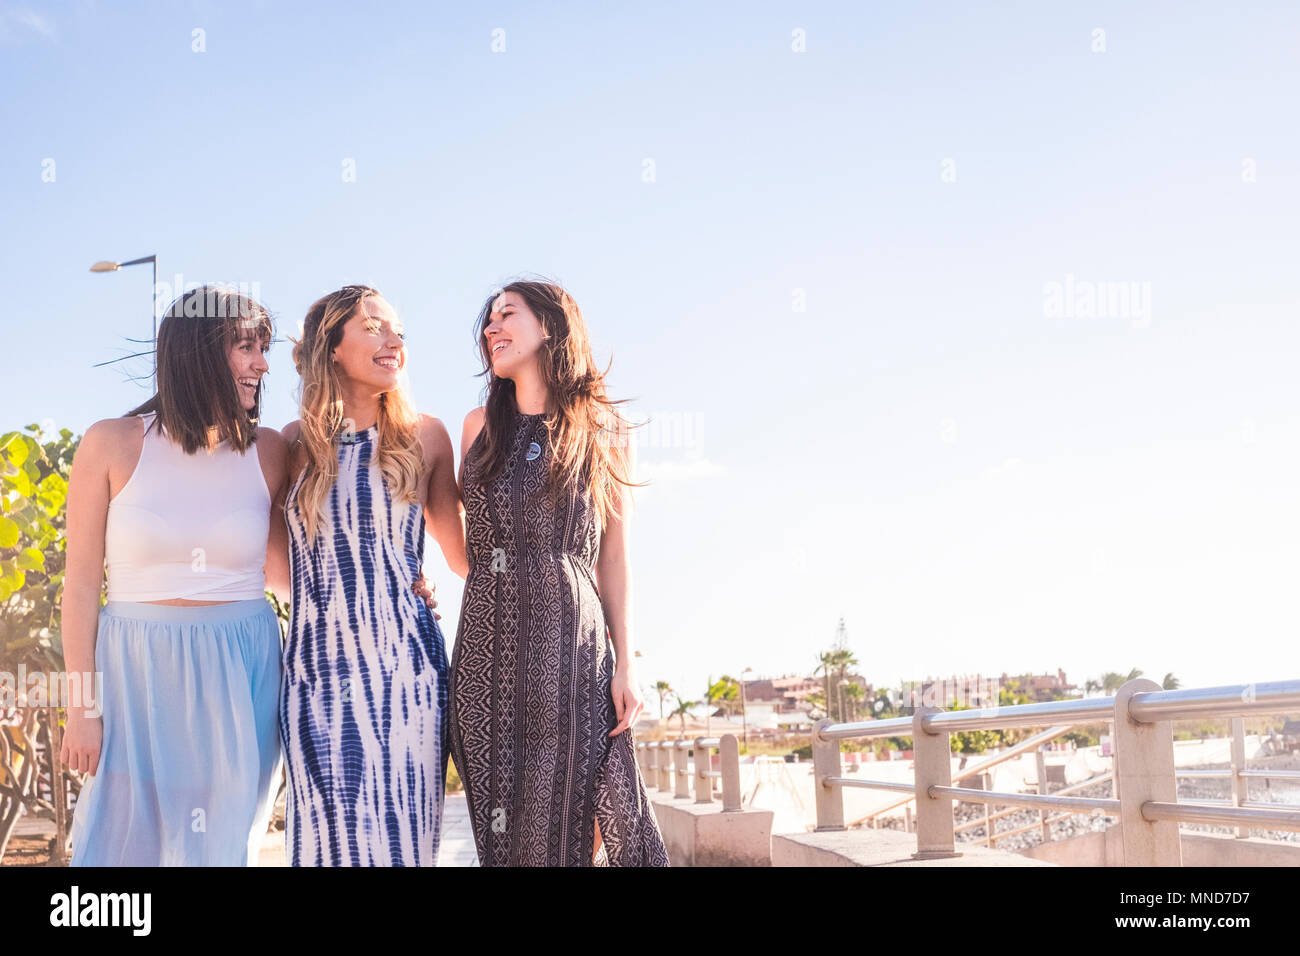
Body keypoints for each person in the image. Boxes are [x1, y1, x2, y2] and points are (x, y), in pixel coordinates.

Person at [62, 286, 286, 866]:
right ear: (198, 352)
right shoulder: (111, 442)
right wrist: (82, 708)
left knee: (220, 846)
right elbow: (82, 587)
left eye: (265, 348)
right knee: (117, 847)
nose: (262, 363)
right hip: (135, 666)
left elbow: (296, 570)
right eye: (246, 347)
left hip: (244, 667)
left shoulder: (271, 451)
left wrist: (403, 583)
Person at [448, 279, 669, 866]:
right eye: (487, 321)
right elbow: (450, 533)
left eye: (506, 315)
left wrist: (627, 663)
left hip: (570, 645)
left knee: (579, 820)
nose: (491, 328)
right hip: (485, 652)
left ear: (550, 326)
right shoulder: (476, 427)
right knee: (504, 836)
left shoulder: (604, 430)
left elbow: (615, 557)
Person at [275, 284, 465, 866]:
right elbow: (279, 571)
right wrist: (347, 592)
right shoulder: (292, 445)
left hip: (407, 674)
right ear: (332, 347)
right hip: (316, 676)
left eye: (399, 330)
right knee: (324, 847)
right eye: (374, 326)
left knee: (403, 843)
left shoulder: (426, 435)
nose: (394, 340)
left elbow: (464, 558)